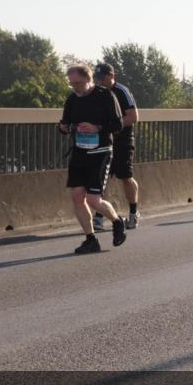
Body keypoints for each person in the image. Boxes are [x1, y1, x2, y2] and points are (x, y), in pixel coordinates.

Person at [58, 64, 127, 254]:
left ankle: (116, 221)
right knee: (77, 196)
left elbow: (118, 124)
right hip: (79, 153)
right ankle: (91, 239)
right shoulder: (72, 99)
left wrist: (97, 127)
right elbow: (65, 123)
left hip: (101, 152)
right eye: (72, 84)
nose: (75, 87)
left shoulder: (105, 96)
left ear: (88, 80)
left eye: (78, 83)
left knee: (93, 199)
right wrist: (64, 128)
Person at [92, 63, 141, 230]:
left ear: (112, 76)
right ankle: (99, 217)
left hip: (123, 140)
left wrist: (115, 127)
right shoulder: (96, 93)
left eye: (103, 78)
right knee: (102, 179)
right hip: (104, 140)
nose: (100, 81)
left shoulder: (122, 91)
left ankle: (133, 213)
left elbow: (133, 116)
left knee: (125, 177)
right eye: (97, 78)